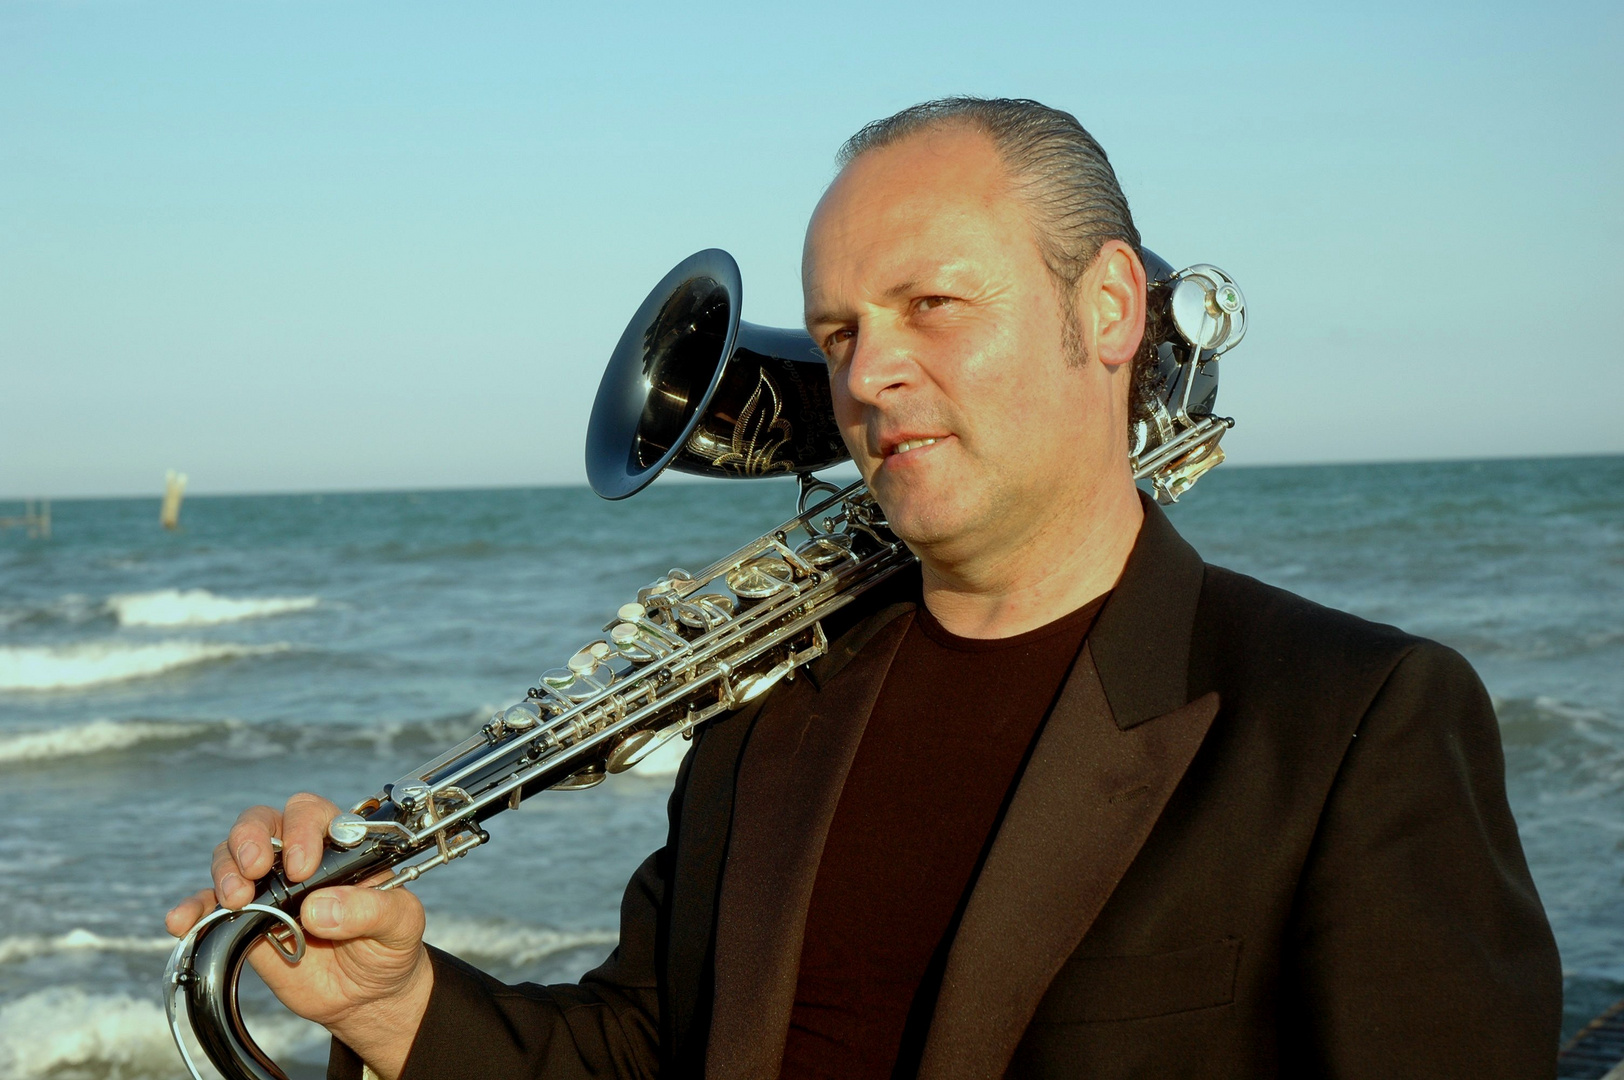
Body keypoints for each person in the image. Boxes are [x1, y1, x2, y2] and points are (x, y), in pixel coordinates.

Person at [167, 97, 1562, 1079]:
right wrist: (399, 1006)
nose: (867, 376)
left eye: (932, 305)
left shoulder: (1356, 720)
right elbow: (649, 1054)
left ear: (1112, 310)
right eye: (838, 330)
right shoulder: (762, 725)